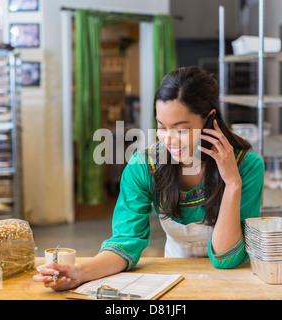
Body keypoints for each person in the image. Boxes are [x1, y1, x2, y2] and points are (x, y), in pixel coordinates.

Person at [33, 66, 264, 291]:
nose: (169, 140)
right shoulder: (143, 167)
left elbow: (227, 258)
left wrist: (233, 183)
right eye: (161, 127)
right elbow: (125, 243)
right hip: (177, 274)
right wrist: (80, 273)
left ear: (210, 120)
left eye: (181, 130)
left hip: (235, 285)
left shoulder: (246, 166)